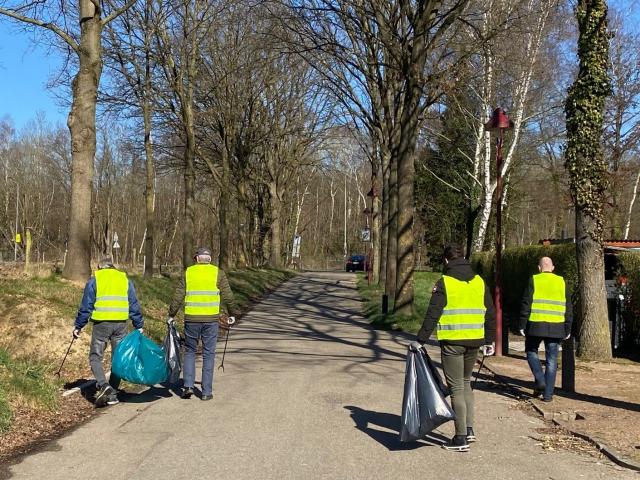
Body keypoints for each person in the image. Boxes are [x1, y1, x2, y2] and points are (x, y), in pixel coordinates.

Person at [411, 244, 496, 452]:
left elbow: (433, 314)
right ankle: (469, 428)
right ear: (464, 258)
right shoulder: (479, 282)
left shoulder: (445, 283)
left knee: (456, 386)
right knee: (466, 383)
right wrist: (489, 340)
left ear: (446, 261)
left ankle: (460, 438)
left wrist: (420, 340)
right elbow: (490, 313)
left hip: (452, 342)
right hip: (475, 340)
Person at [168, 247, 240, 401]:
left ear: (197, 258)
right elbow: (228, 295)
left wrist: (171, 314)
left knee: (190, 352)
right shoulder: (218, 273)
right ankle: (206, 392)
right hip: (211, 320)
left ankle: (187, 385)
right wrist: (233, 313)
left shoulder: (189, 272)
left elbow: (178, 295)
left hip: (191, 319)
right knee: (208, 354)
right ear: (209, 259)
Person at [73, 257, 144, 407]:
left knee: (95, 357)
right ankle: (112, 393)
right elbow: (133, 303)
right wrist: (138, 324)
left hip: (102, 324)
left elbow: (86, 306)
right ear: (113, 267)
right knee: (118, 359)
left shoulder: (95, 280)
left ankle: (104, 386)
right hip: (121, 324)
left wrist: (79, 326)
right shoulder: (124, 279)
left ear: (100, 268)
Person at [518, 256, 573, 402]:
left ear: (539, 268)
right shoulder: (562, 282)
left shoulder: (534, 279)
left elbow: (526, 303)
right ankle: (548, 395)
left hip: (536, 325)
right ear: (553, 268)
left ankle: (540, 380)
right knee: (552, 360)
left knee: (531, 351)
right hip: (556, 326)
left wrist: (522, 324)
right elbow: (568, 307)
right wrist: (568, 327)